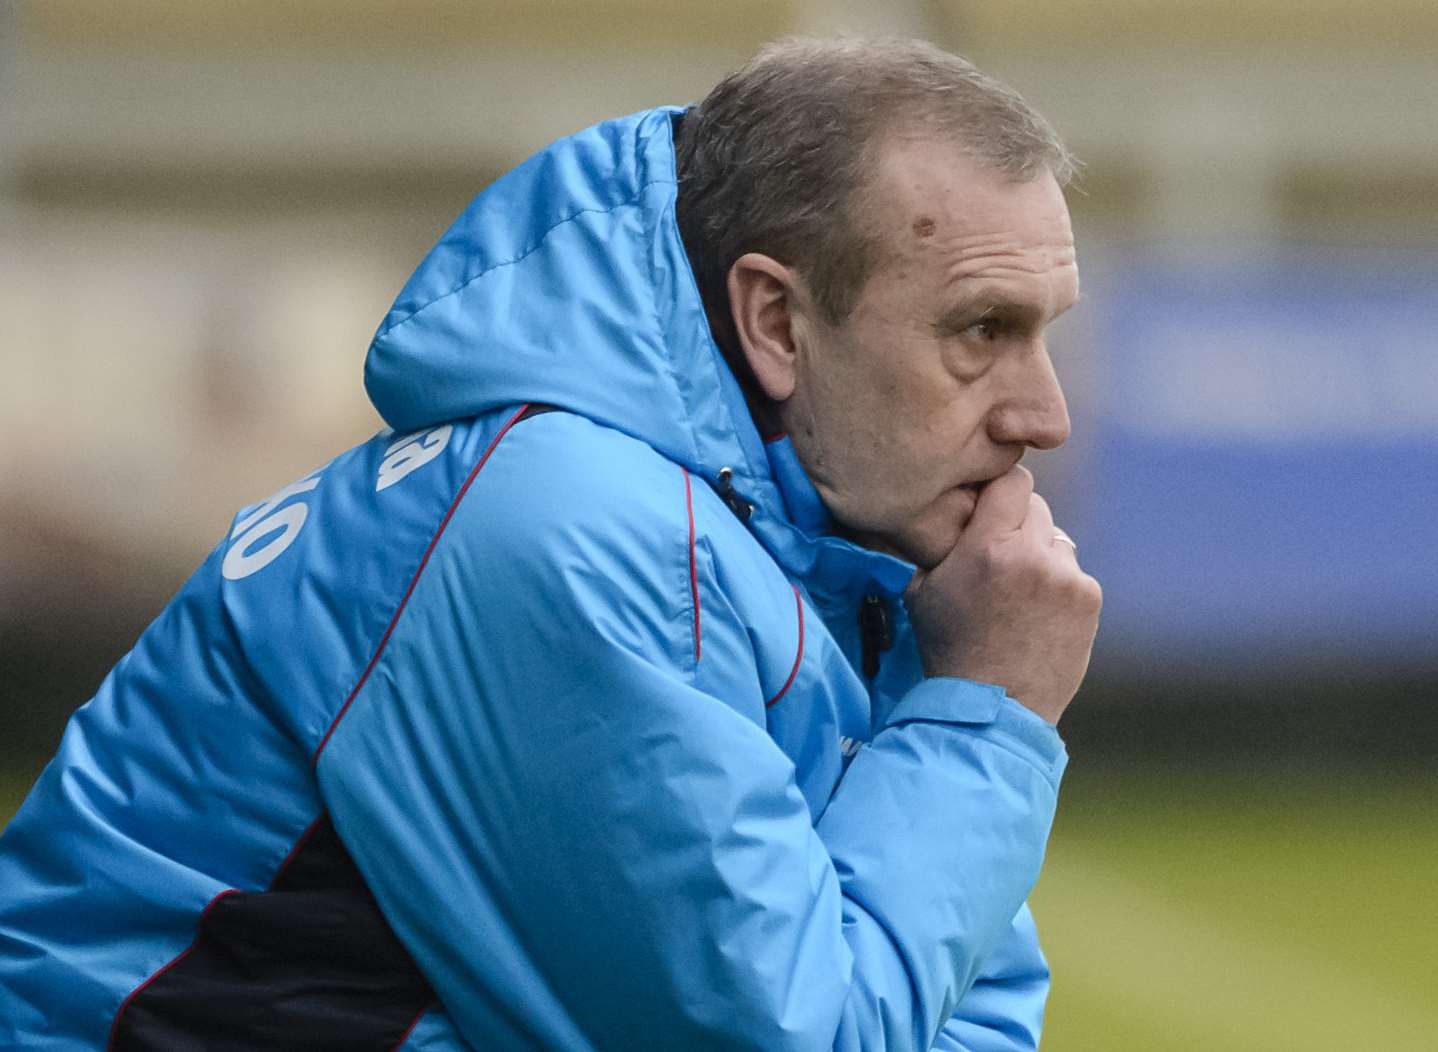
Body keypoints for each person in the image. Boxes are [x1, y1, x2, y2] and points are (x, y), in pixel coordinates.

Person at [0, 36, 1099, 1051]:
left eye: (1041, 331)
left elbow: (953, 997)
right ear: (772, 321)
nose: (1041, 413)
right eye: (981, 329)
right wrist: (983, 716)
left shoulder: (799, 535)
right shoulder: (575, 532)